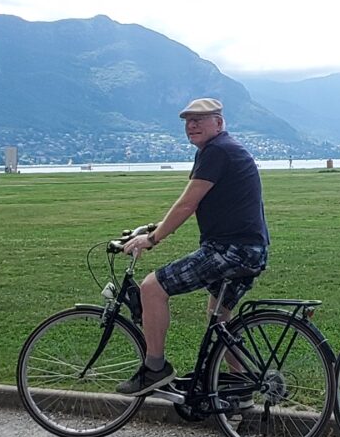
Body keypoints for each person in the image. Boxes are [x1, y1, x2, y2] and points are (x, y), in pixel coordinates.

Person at [115, 98, 269, 395]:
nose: (192, 125)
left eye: (200, 119)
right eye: (187, 121)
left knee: (151, 287)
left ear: (219, 123)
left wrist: (152, 239)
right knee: (221, 319)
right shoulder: (225, 149)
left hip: (230, 251)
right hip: (250, 250)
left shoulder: (217, 151)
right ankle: (242, 388)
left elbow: (188, 203)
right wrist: (154, 227)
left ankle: (155, 368)